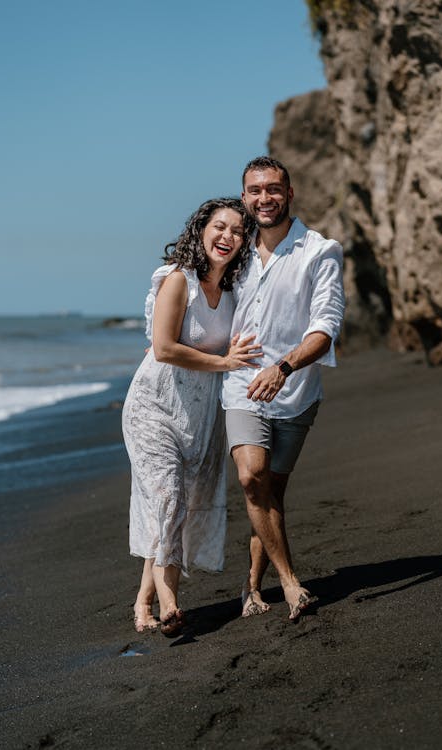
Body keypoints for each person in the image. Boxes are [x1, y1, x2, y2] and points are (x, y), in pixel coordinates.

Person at [122, 197, 262, 637]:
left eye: (238, 232)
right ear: (201, 230)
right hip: (153, 406)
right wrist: (224, 364)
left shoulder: (235, 293)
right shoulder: (178, 280)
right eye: (220, 227)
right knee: (168, 498)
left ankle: (142, 600)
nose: (228, 237)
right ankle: (169, 604)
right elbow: (163, 347)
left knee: (172, 505)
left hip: (200, 415)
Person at [221, 156, 345, 621]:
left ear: (289, 194)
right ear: (245, 196)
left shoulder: (319, 251)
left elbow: (325, 328)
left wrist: (284, 367)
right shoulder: (235, 249)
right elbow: (200, 294)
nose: (264, 198)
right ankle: (291, 584)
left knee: (271, 490)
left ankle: (252, 587)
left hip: (296, 393)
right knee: (252, 478)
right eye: (254, 190)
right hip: (240, 384)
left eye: (273, 189)